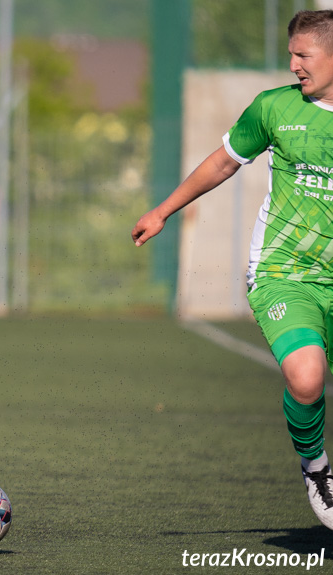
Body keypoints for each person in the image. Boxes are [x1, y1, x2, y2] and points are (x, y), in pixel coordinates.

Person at [131, 9, 333, 531]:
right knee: (306, 377)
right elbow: (223, 161)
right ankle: (317, 470)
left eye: (302, 55)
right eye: (291, 53)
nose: (292, 65)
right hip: (284, 271)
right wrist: (162, 210)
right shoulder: (274, 108)